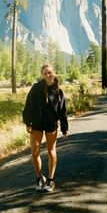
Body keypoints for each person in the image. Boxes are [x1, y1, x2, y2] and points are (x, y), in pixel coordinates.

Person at [22, 64, 68, 192]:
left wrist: (64, 127)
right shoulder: (36, 88)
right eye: (45, 73)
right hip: (36, 124)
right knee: (34, 152)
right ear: (42, 75)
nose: (47, 75)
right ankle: (39, 179)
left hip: (51, 125)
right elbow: (28, 105)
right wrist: (28, 122)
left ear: (54, 73)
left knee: (51, 151)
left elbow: (63, 111)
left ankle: (50, 180)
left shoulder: (58, 91)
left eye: (49, 72)